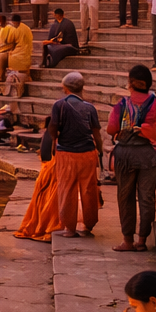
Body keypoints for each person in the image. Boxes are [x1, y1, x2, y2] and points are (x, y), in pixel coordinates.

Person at [108, 65, 156, 253]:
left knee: (125, 197)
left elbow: (111, 129)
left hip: (125, 154)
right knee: (147, 197)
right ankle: (142, 240)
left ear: (130, 83)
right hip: (148, 155)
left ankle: (127, 241)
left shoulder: (121, 104)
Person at [47, 71, 103, 236]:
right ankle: (88, 225)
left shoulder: (59, 105)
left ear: (65, 88)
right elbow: (96, 133)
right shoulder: (90, 108)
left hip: (66, 153)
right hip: (87, 153)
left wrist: (53, 141)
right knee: (89, 189)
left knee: (67, 189)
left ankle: (69, 228)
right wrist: (99, 151)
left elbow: (53, 127)